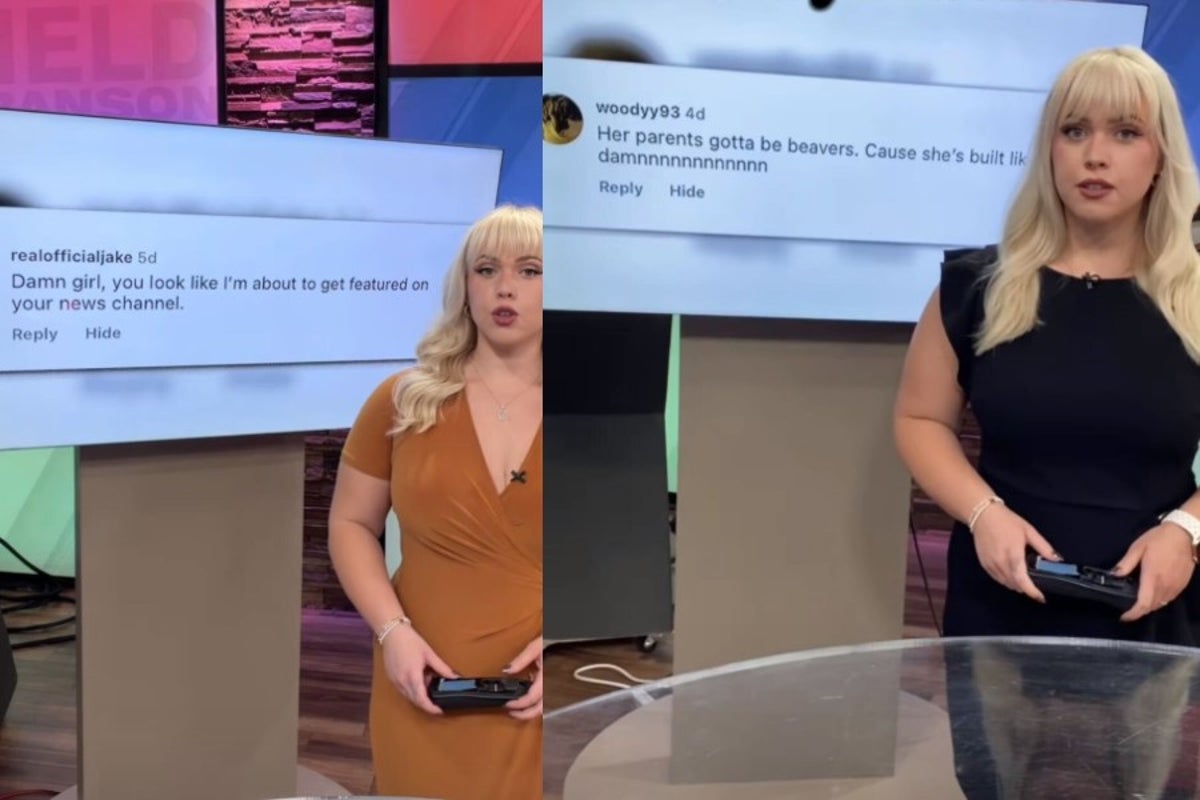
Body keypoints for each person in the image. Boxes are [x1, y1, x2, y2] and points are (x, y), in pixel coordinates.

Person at [894, 45, 1200, 645]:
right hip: (999, 604)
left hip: (1157, 606)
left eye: (1126, 133)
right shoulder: (975, 287)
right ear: (1049, 151)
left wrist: (1188, 530)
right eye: (1074, 130)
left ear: (1162, 155)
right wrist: (984, 514)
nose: (1095, 155)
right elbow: (919, 418)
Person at [328, 204, 543, 799]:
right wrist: (391, 632)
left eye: (529, 271)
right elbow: (350, 523)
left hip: (539, 687)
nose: (505, 287)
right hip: (419, 674)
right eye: (486, 269)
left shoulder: (586, 414)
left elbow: (605, 550)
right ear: (464, 287)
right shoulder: (402, 400)